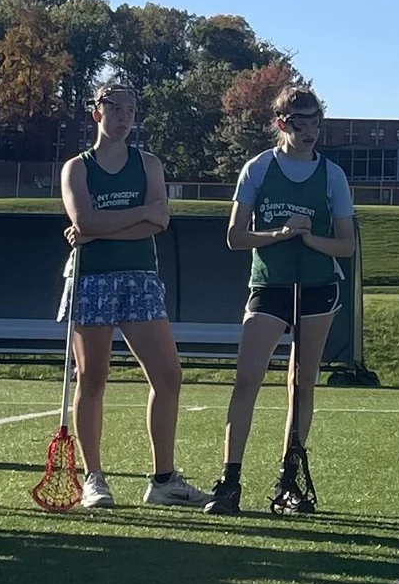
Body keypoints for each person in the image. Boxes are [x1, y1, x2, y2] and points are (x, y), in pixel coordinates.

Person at [57, 79, 209, 509]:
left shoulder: (149, 164)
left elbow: (159, 220)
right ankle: (94, 477)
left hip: (140, 275)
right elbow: (84, 220)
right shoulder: (78, 167)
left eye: (130, 110)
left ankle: (164, 479)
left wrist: (108, 223)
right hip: (92, 278)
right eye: (115, 108)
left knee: (168, 375)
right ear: (97, 112)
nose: (123, 117)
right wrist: (132, 216)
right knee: (92, 379)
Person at [206, 84, 356, 517]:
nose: (311, 132)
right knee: (247, 380)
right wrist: (278, 234)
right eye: (301, 124)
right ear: (281, 124)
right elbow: (235, 237)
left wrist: (310, 237)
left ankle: (290, 480)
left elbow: (346, 246)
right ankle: (229, 480)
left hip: (317, 289)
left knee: (301, 384)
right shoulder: (257, 168)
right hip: (269, 287)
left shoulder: (332, 175)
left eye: (316, 123)